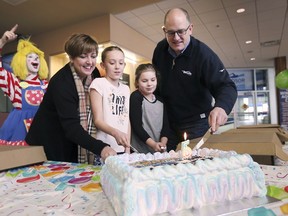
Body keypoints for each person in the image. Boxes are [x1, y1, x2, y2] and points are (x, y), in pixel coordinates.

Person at [152, 8, 237, 150]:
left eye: (181, 31)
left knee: (195, 166)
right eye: (171, 32)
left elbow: (226, 86)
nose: (176, 37)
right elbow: (157, 85)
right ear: (164, 31)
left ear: (190, 28)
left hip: (196, 124)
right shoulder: (160, 50)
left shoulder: (204, 55)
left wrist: (221, 107)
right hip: (168, 123)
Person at [25, 33, 116, 163]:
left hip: (71, 136)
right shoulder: (61, 83)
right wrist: (101, 148)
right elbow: (71, 127)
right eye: (83, 56)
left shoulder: (94, 73)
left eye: (93, 56)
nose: (89, 62)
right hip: (49, 139)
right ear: (71, 58)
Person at [0, 24, 49, 145]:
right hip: (18, 132)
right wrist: (2, 42)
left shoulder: (47, 85)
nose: (35, 59)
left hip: (43, 130)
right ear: (22, 61)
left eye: (37, 57)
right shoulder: (14, 84)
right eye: (30, 57)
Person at [89, 46, 131, 154]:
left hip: (122, 148)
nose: (117, 67)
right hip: (104, 147)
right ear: (103, 65)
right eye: (112, 63)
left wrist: (127, 147)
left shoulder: (126, 89)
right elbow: (98, 120)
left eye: (121, 63)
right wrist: (116, 133)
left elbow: (127, 120)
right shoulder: (98, 83)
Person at [129, 63, 169, 153]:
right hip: (139, 151)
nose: (149, 84)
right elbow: (137, 127)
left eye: (152, 80)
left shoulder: (161, 101)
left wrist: (163, 144)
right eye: (144, 81)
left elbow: (166, 127)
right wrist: (153, 144)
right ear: (137, 82)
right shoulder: (136, 97)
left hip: (157, 151)